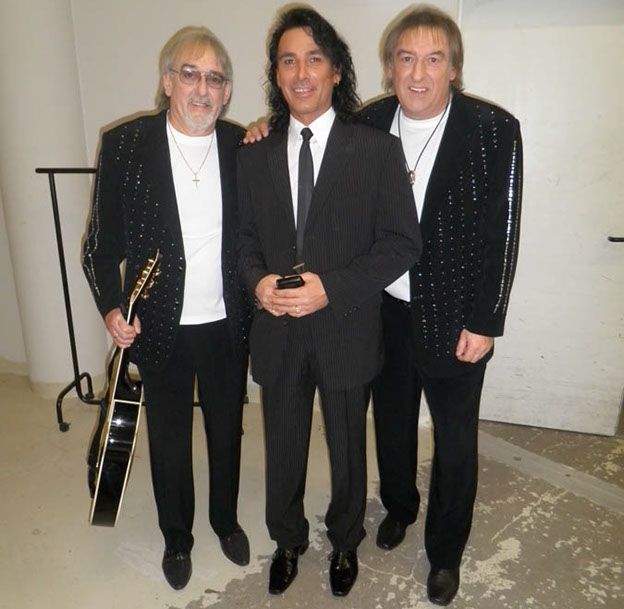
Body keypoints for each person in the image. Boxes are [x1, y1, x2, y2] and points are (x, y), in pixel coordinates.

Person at [237, 6, 421, 598]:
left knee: (347, 446)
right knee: (283, 445)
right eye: (288, 61)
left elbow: (402, 243)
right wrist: (258, 283)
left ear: (337, 70)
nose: (301, 73)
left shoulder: (376, 150)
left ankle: (345, 541)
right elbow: (242, 239)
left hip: (345, 325)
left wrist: (332, 287)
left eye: (314, 59)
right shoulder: (254, 152)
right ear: (276, 73)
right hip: (277, 328)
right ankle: (287, 539)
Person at [359, 6, 523, 606]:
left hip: (456, 319)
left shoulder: (492, 129)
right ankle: (400, 506)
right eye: (406, 59)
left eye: (433, 59)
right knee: (391, 422)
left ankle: (446, 551)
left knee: (454, 440)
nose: (418, 73)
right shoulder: (368, 123)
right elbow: (308, 136)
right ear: (390, 67)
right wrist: (259, 127)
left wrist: (487, 320)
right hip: (384, 311)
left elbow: (503, 232)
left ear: (453, 67)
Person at [82, 26, 251, 591]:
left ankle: (225, 521)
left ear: (227, 91)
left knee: (227, 429)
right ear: (167, 81)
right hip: (158, 323)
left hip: (228, 322)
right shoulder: (126, 145)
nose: (202, 88)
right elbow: (99, 247)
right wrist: (112, 309)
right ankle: (177, 537)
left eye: (215, 79)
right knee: (170, 438)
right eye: (190, 74)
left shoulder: (243, 147)